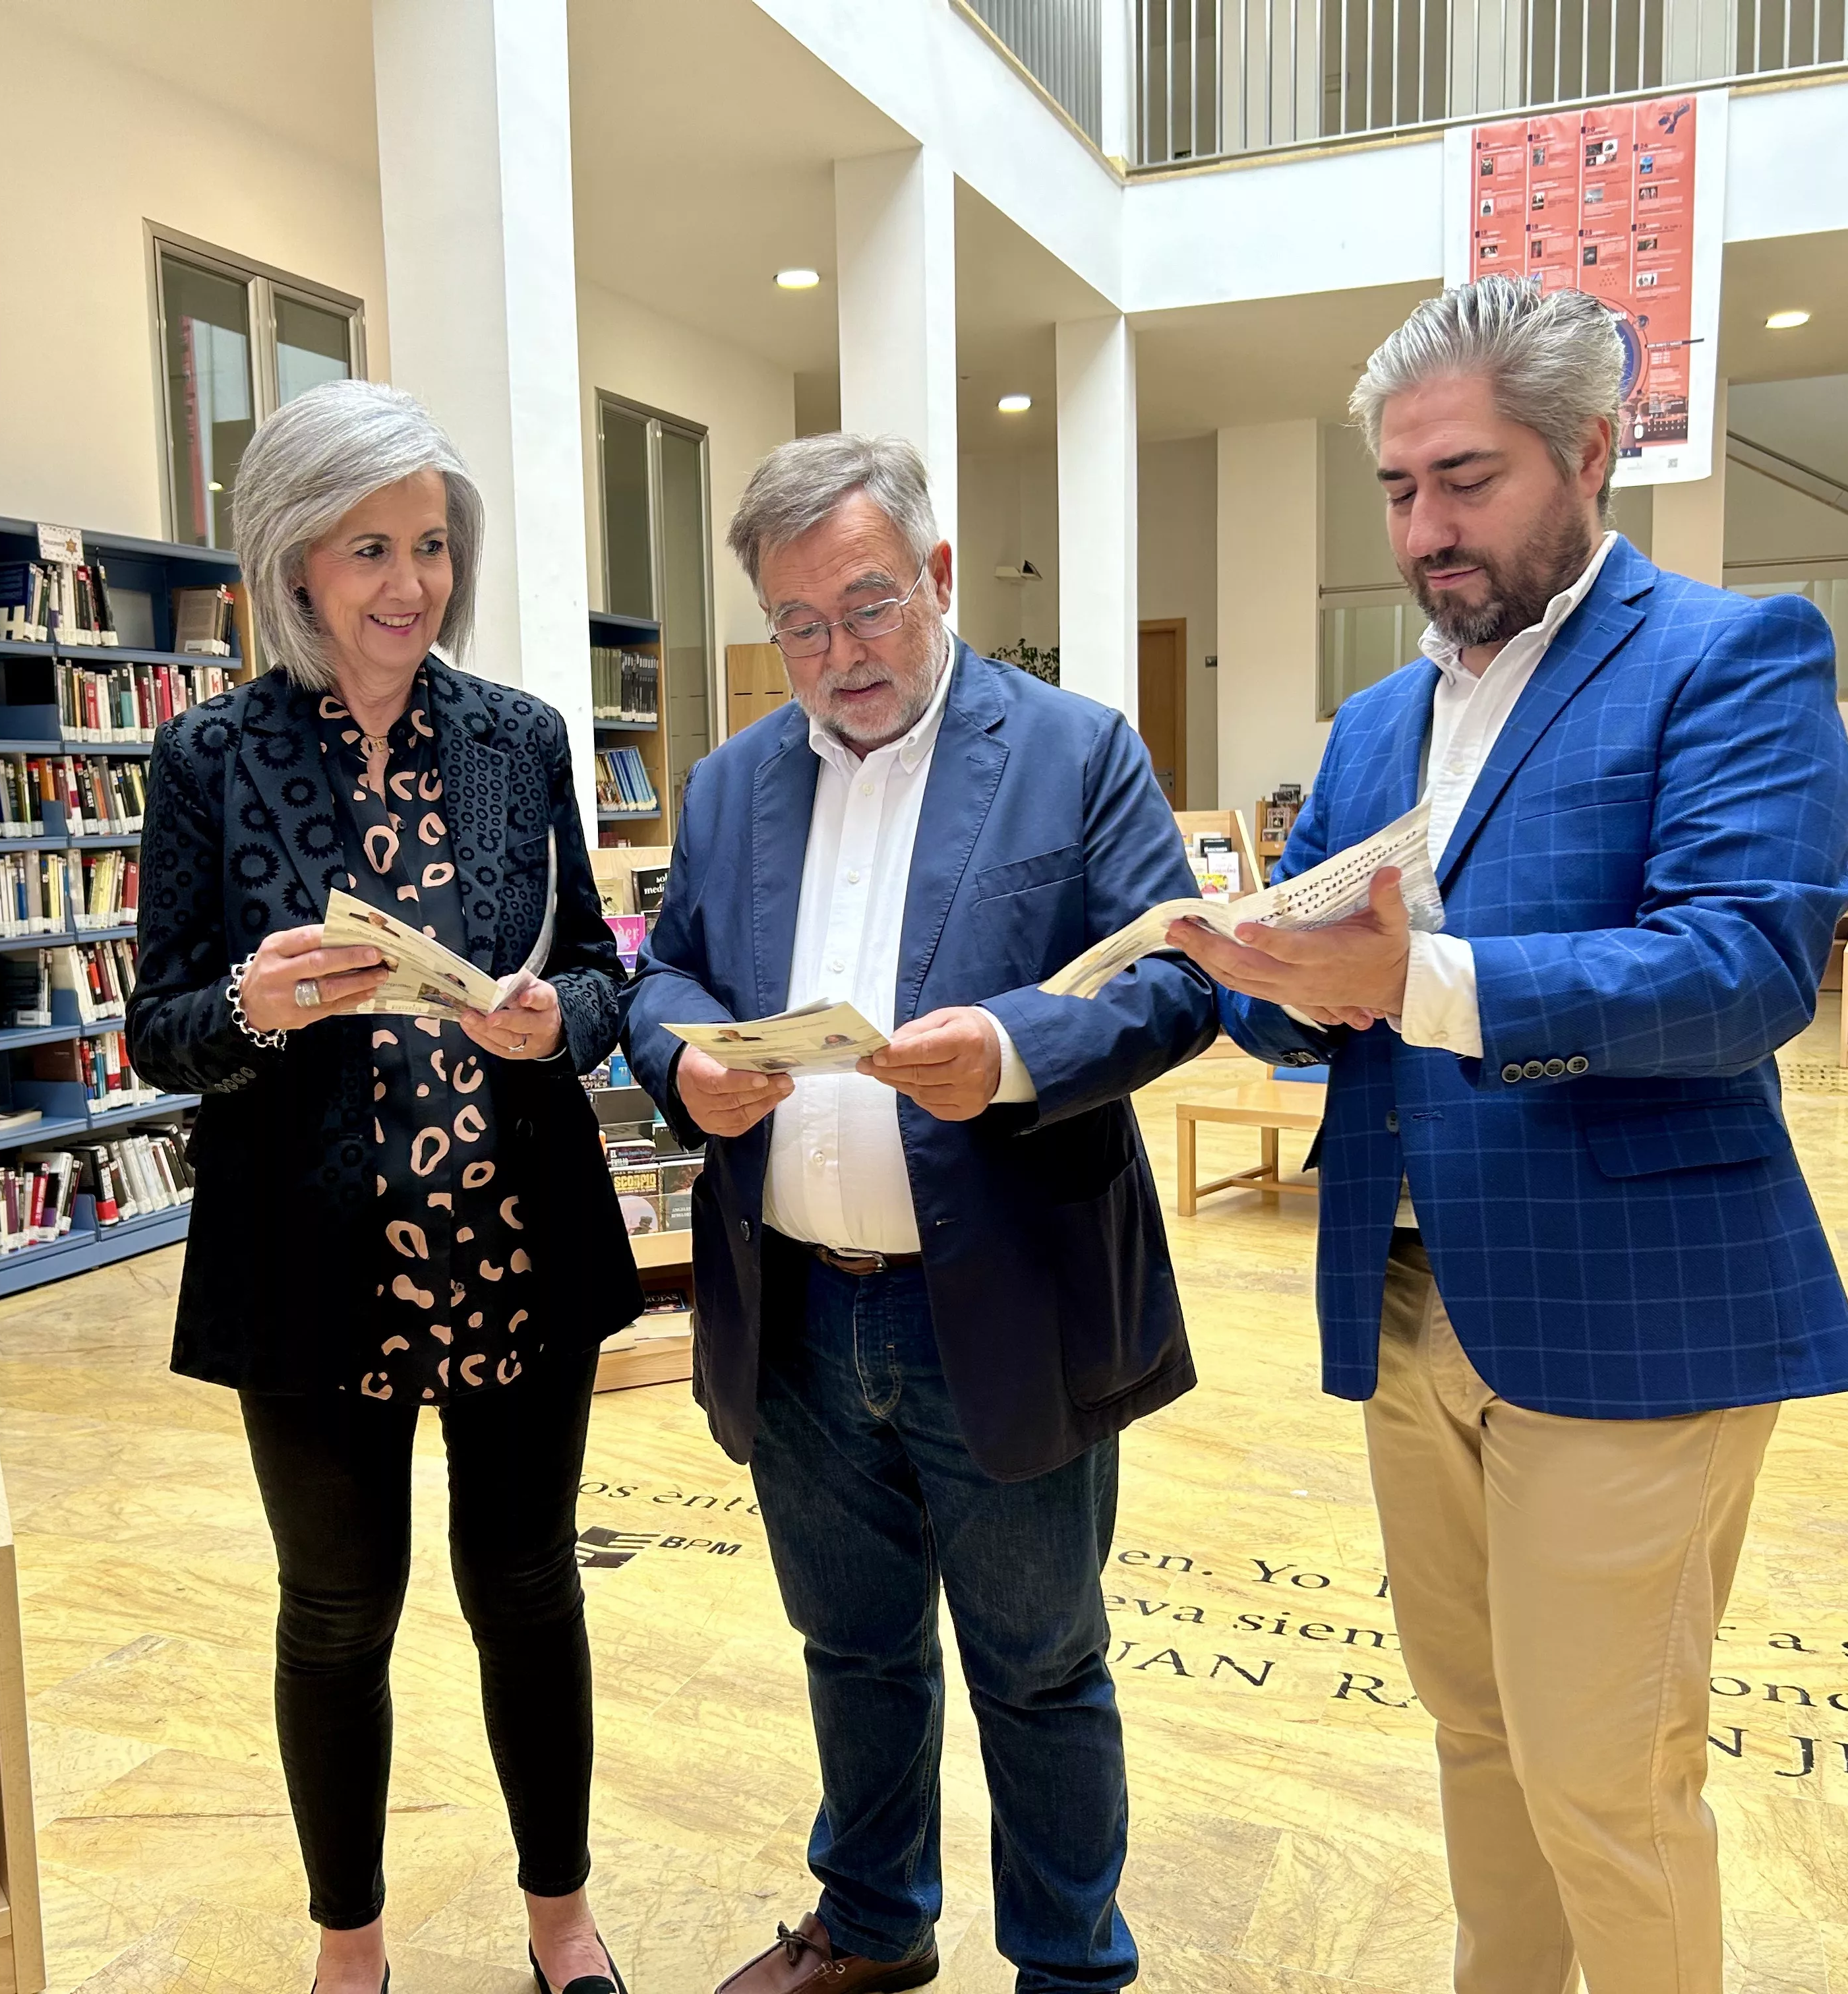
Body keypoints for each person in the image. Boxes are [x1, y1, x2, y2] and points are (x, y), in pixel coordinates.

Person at [1172, 278, 1848, 1994]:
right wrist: (1247, 976)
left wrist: (1420, 979)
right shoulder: (1370, 725)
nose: (1426, 529)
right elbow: (1333, 1001)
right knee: (1475, 1733)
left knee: (1606, 1780)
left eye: (1466, 480)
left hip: (1631, 1309)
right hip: (1413, 1309)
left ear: (1586, 451)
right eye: (1400, 490)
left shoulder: (1728, 656)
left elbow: (1746, 965)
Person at [624, 434, 1217, 1994]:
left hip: (1004, 1299)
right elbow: (665, 971)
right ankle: (875, 1927)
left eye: (870, 607)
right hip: (802, 1308)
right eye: (800, 626)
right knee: (854, 1649)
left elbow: (1178, 983)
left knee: (1040, 1663)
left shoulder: (1074, 751)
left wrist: (1020, 1052)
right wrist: (681, 1056)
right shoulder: (733, 783)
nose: (840, 655)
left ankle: (1072, 1965)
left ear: (941, 579)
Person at [131, 379, 645, 1994]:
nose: (409, 582)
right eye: (371, 548)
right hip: (313, 1260)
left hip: (512, 1242)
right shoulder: (211, 756)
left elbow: (593, 965)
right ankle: (349, 1948)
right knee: (337, 1612)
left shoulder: (518, 739)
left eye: (429, 544)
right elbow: (158, 1027)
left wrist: (570, 1016)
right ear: (295, 560)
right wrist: (250, 1010)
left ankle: (562, 1922)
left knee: (528, 1590)